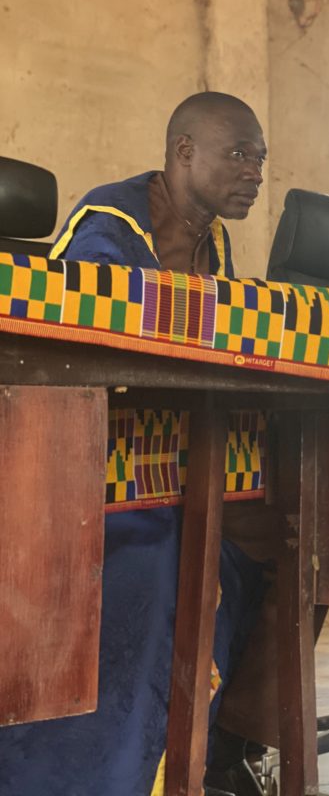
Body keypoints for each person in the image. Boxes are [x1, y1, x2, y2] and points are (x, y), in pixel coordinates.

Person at [0, 92, 269, 796]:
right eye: (238, 154)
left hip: (161, 465)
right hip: (67, 470)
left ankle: (196, 756)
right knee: (159, 559)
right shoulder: (109, 224)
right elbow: (93, 341)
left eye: (260, 159)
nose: (254, 172)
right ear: (184, 152)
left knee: (259, 544)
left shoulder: (214, 241)